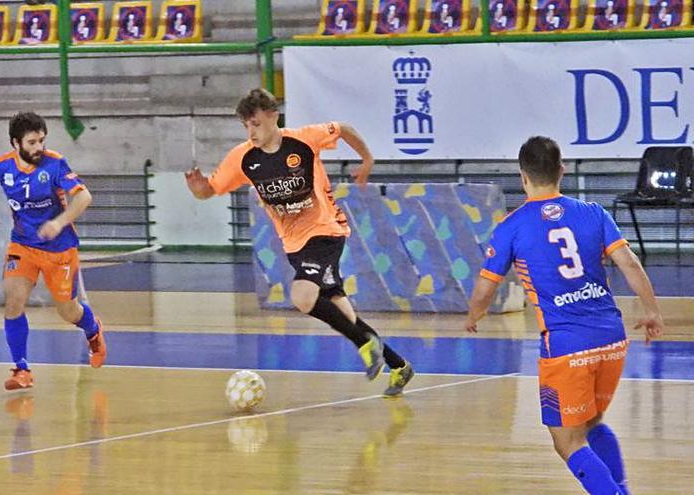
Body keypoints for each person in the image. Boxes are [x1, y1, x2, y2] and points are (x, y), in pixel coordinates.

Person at [463, 136, 664, 495]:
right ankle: (621, 489)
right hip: (611, 338)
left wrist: (473, 314)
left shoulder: (512, 226)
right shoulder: (593, 213)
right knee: (591, 423)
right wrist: (651, 310)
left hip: (565, 345)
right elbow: (630, 263)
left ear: (522, 176)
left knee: (566, 442)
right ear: (562, 170)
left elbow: (485, 286)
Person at [184, 88, 414, 396]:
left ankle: (364, 344)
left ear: (272, 117)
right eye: (246, 126)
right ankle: (399, 366)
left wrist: (367, 158)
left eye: (255, 123)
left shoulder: (303, 140)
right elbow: (209, 189)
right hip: (293, 243)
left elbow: (343, 128)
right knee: (340, 311)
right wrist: (198, 188)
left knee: (303, 297)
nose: (251, 132)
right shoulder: (242, 158)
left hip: (325, 229)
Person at [0, 112, 107, 390]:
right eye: (32, 142)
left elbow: (84, 196)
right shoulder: (0, 166)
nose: (38, 148)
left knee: (68, 311)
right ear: (16, 143)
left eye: (42, 141)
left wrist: (59, 223)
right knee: (13, 300)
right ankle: (21, 370)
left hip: (59, 250)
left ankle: (93, 329)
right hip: (22, 245)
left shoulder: (55, 164)